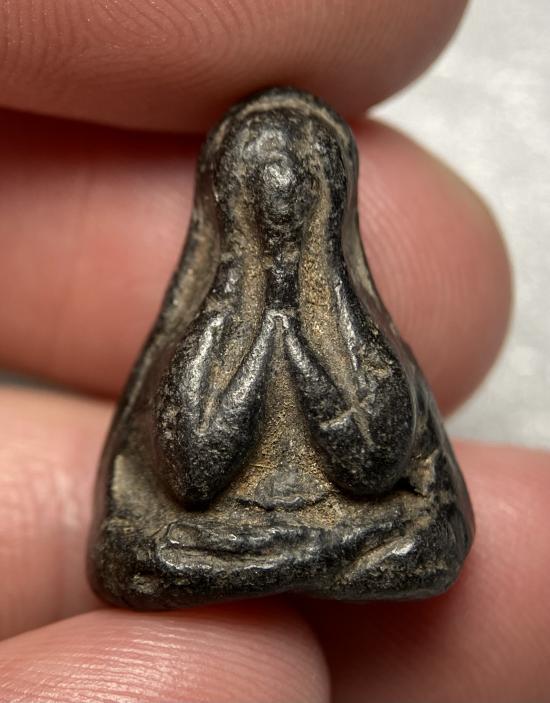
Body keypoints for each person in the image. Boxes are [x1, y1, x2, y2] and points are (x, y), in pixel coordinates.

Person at [0, 2, 547, 701]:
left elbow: (375, 464)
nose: (281, 205)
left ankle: (299, 555)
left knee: (429, 541)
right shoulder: (212, 319)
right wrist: (269, 329)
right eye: (260, 189)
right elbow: (194, 475)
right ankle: (308, 555)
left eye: (300, 187)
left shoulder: (346, 315)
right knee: (135, 557)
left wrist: (299, 324)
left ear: (329, 200)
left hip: (322, 529)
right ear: (231, 201)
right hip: (223, 536)